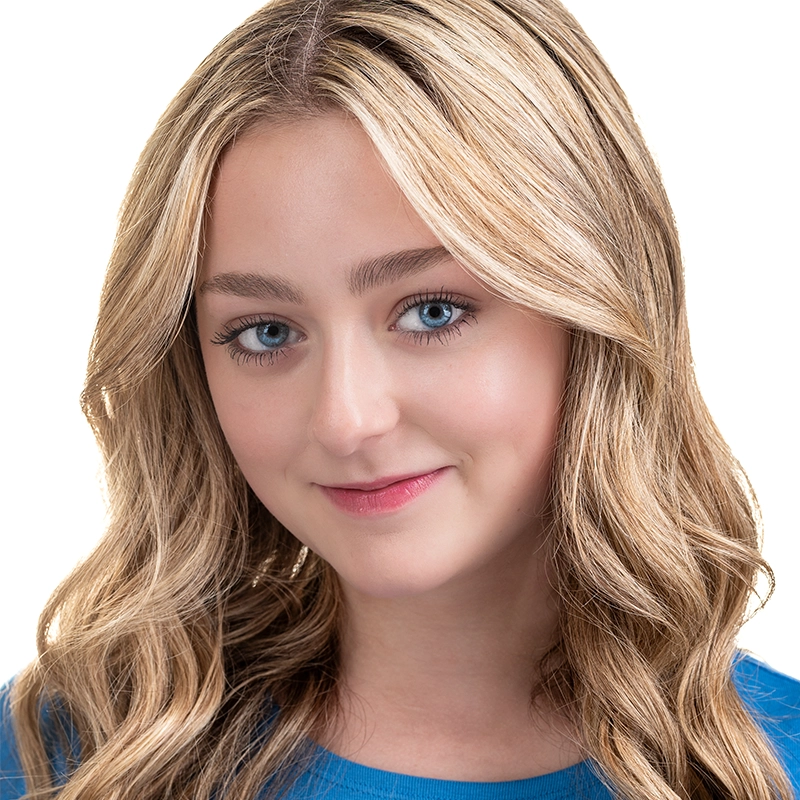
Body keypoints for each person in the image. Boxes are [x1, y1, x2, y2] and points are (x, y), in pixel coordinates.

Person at [1, 0, 798, 798]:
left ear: (593, 311)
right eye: (267, 333)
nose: (347, 420)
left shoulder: (770, 767)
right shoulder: (62, 758)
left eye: (431, 312)